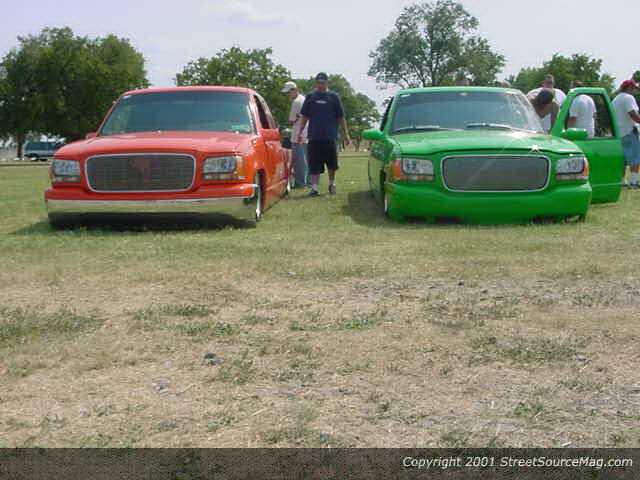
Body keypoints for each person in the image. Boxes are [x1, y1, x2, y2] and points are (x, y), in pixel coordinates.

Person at [297, 73, 351, 197]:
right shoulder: (310, 97)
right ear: (316, 83)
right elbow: (305, 116)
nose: (320, 85)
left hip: (330, 136)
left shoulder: (334, 97)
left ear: (327, 83)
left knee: (332, 163)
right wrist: (300, 132)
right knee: (314, 163)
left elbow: (341, 117)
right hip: (314, 136)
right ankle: (315, 188)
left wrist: (346, 134)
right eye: (318, 82)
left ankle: (332, 184)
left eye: (322, 82)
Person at [612, 80, 640, 188]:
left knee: (622, 159)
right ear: (629, 88)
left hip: (618, 133)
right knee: (635, 157)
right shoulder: (628, 98)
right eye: (634, 88)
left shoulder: (616, 99)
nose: (635, 91)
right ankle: (634, 181)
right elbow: (632, 113)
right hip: (629, 131)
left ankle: (622, 181)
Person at [281, 81, 309, 188]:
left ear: (295, 90)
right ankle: (307, 181)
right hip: (306, 132)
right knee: (306, 159)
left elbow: (291, 120)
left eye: (289, 92)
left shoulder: (296, 102)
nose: (288, 95)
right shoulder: (303, 99)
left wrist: (292, 120)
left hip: (298, 134)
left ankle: (300, 182)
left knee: (299, 160)